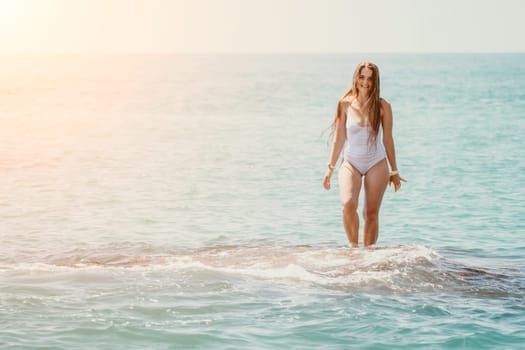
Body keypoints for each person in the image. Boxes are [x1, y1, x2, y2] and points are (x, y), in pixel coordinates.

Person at [323, 62, 406, 248]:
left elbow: (388, 141)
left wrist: (394, 171)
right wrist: (330, 169)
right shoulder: (344, 104)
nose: (365, 82)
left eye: (370, 78)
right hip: (351, 161)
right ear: (356, 78)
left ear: (375, 81)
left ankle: (368, 255)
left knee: (370, 213)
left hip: (376, 162)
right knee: (348, 204)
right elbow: (339, 138)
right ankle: (354, 250)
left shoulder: (383, 106)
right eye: (362, 77)